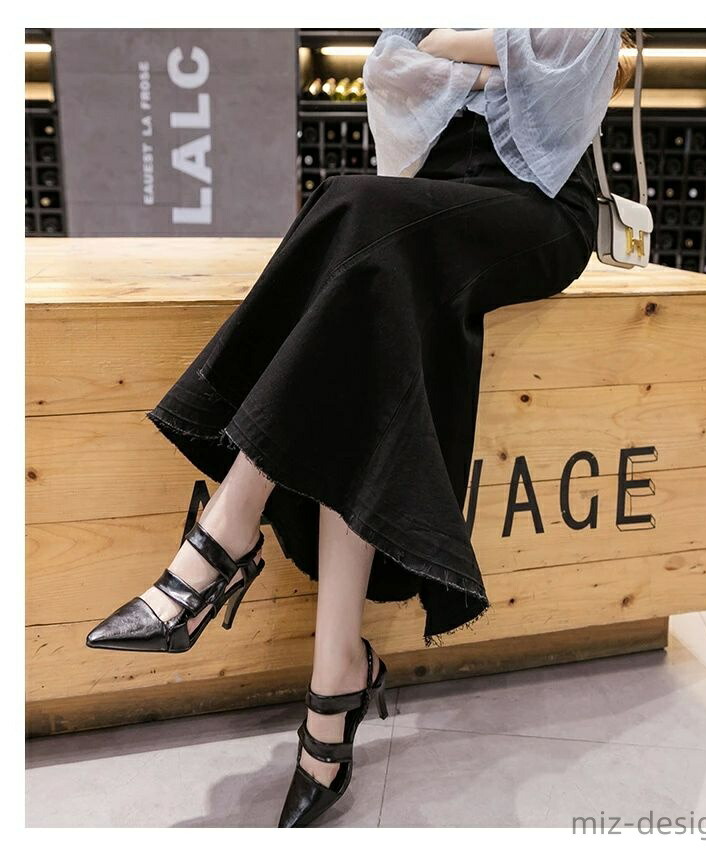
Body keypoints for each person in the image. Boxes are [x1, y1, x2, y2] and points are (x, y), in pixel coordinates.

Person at [86, 27, 633, 828]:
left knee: (355, 208)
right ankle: (337, 667)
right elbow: (394, 58)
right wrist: (491, 53)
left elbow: (560, 56)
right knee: (360, 267)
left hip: (538, 204)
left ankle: (224, 539)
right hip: (429, 197)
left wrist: (457, 45)